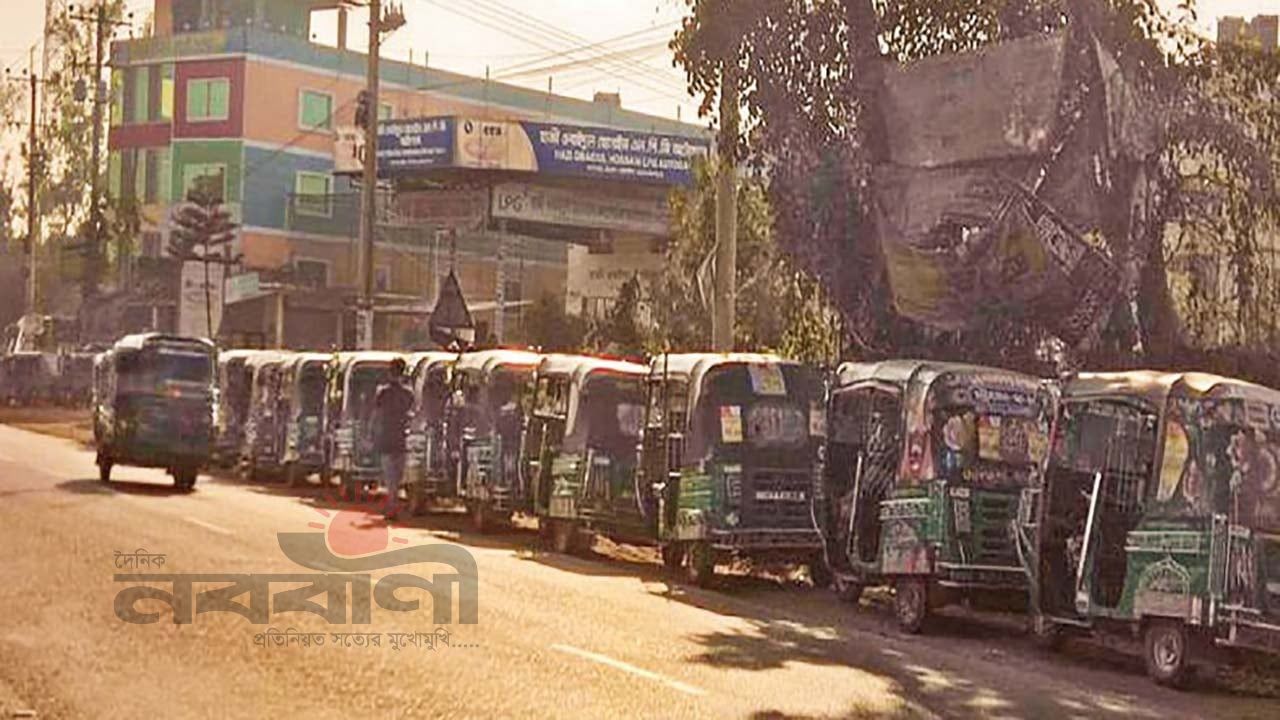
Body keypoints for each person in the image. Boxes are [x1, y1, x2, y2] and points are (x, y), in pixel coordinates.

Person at [374, 358, 414, 520]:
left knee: (391, 478)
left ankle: (392, 508)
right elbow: (412, 414)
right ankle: (393, 506)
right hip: (402, 439)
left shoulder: (383, 392)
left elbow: (376, 415)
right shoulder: (408, 394)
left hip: (387, 438)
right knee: (396, 477)